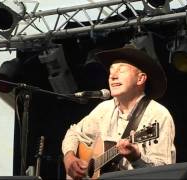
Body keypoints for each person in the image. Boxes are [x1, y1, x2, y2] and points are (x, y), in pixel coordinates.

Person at [62, 43, 176, 179]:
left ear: (140, 79)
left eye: (121, 70)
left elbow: (163, 174)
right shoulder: (104, 110)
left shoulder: (157, 115)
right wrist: (69, 157)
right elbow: (74, 133)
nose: (113, 76)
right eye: (111, 71)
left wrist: (136, 158)